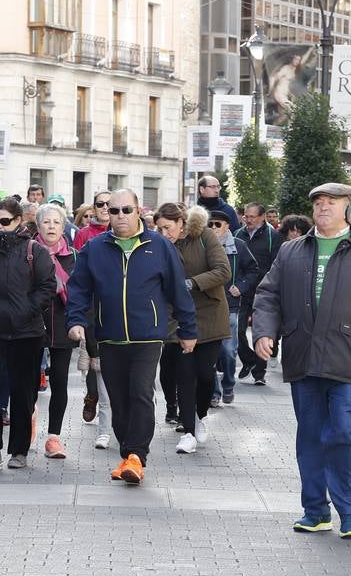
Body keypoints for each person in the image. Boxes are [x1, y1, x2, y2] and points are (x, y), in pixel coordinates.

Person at [252, 182, 351, 539]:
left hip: (349, 358)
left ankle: (349, 510)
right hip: (304, 356)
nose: (323, 208)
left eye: (331, 202)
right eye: (318, 202)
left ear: (347, 207)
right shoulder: (291, 251)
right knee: (310, 436)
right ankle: (315, 511)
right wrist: (264, 331)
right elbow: (268, 294)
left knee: (344, 430)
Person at [66, 189, 196, 485]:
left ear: (138, 211)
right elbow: (79, 289)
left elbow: (178, 290)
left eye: (126, 210)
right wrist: (75, 321)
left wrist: (189, 330)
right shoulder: (96, 248)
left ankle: (137, 455)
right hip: (109, 337)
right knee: (119, 401)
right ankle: (128, 455)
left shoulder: (160, 246)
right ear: (106, 214)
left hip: (147, 336)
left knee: (140, 393)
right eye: (114, 211)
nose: (120, 216)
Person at [0, 198, 56, 470]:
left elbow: (47, 288)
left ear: (18, 221)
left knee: (23, 392)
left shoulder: (35, 251)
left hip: (26, 332)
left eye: (5, 221)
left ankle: (19, 450)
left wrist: (24, 312)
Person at [153, 204, 230, 454]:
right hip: (179, 318)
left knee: (205, 376)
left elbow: (223, 271)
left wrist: (192, 282)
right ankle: (188, 431)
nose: (164, 232)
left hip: (209, 314)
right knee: (184, 376)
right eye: (160, 228)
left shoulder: (205, 236)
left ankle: (202, 415)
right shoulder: (161, 244)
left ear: (181, 223)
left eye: (168, 227)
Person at [35, 205, 79, 459]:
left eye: (56, 222)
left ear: (64, 227)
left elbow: (81, 291)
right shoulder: (28, 252)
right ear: (38, 226)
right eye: (46, 222)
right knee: (29, 383)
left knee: (59, 382)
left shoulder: (73, 256)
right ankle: (28, 422)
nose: (51, 226)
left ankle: (54, 437)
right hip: (32, 325)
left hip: (63, 324)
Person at [208, 210, 257, 408]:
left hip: (230, 306)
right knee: (209, 355)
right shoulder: (202, 245)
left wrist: (241, 286)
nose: (213, 228)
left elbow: (253, 270)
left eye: (217, 224)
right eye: (209, 224)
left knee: (228, 351)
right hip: (208, 307)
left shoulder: (238, 246)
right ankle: (214, 393)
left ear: (227, 226)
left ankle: (228, 384)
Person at [234, 202, 279, 385]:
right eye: (246, 215)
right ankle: (249, 360)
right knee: (237, 330)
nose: (248, 219)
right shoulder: (238, 234)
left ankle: (260, 372)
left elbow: (277, 264)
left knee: (262, 332)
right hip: (242, 290)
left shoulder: (272, 237)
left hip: (264, 292)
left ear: (262, 217)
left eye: (252, 216)